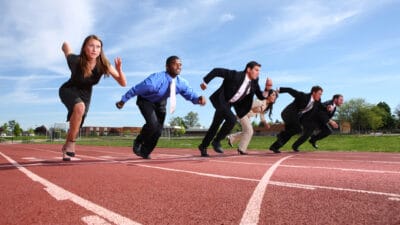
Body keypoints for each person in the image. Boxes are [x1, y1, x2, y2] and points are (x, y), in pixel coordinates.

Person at [116, 56, 206, 159]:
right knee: (153, 124)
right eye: (175, 64)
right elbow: (136, 89)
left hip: (161, 102)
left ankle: (145, 151)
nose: (179, 66)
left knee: (158, 130)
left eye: (180, 64)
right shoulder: (154, 80)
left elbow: (190, 94)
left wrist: (198, 99)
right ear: (167, 67)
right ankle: (138, 141)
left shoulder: (181, 83)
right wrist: (123, 101)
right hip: (146, 100)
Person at [59, 35, 127, 161]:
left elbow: (123, 83)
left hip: (86, 94)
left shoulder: (103, 64)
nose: (94, 49)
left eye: (98, 47)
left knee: (78, 123)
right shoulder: (76, 61)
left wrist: (119, 70)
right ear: (85, 48)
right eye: (91, 46)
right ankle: (71, 144)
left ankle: (67, 144)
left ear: (101, 50)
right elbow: (67, 51)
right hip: (69, 89)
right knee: (79, 107)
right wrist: (65, 44)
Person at [198, 61, 266, 157]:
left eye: (259, 71)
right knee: (232, 119)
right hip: (220, 100)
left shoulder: (254, 82)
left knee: (215, 125)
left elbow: (260, 95)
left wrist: (267, 90)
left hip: (230, 104)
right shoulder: (235, 75)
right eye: (256, 70)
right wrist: (205, 82)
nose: (258, 72)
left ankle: (203, 146)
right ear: (248, 69)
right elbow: (216, 71)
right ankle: (216, 141)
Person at [269, 86, 325, 153]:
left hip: (295, 117)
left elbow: (321, 106)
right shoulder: (303, 96)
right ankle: (281, 135)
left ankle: (275, 147)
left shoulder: (317, 101)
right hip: (288, 114)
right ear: (313, 93)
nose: (320, 96)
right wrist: (279, 90)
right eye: (319, 94)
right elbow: (290, 90)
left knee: (290, 132)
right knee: (297, 129)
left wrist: (327, 108)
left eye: (321, 94)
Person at [227, 87, 278, 155]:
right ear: (268, 95)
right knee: (249, 131)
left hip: (247, 116)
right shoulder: (260, 101)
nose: (275, 97)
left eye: (275, 95)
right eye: (273, 95)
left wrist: (265, 123)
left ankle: (231, 138)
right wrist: (237, 114)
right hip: (243, 113)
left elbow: (262, 115)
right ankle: (241, 149)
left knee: (246, 132)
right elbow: (248, 105)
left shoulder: (266, 104)